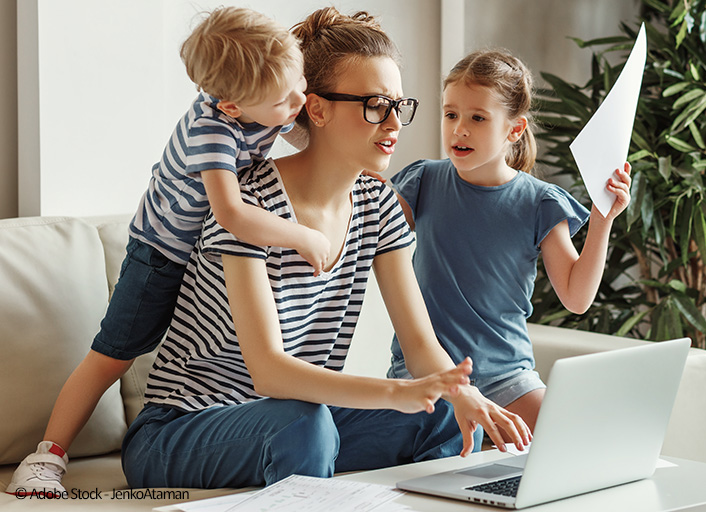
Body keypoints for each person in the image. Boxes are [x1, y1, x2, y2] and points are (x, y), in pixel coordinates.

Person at [120, 7, 530, 489]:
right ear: (316, 108)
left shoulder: (378, 203)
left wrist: (464, 394)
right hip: (182, 429)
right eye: (376, 104)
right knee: (304, 422)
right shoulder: (248, 202)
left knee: (441, 414)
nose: (394, 121)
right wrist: (397, 391)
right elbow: (269, 373)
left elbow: (420, 346)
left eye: (399, 105)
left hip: (293, 422)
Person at [5, 6, 329, 497]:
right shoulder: (210, 132)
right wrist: (303, 234)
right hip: (160, 256)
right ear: (232, 107)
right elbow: (232, 214)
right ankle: (46, 456)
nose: (300, 101)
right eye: (286, 99)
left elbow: (310, 131)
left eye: (301, 82)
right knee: (111, 356)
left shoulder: (267, 101)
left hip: (200, 256)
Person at [386, 48, 633, 433]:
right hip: (426, 377)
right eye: (451, 114)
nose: (459, 129)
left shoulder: (540, 203)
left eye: (477, 118)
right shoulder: (421, 182)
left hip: (507, 379)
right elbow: (362, 236)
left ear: (514, 129)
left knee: (572, 440)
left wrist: (603, 219)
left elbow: (576, 297)